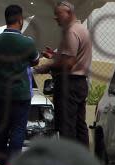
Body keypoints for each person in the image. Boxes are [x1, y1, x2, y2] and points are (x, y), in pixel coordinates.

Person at [34, 0, 92, 146]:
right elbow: (73, 58)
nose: (55, 18)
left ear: (69, 13)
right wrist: (54, 56)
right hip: (80, 83)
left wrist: (46, 67)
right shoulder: (81, 29)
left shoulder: (71, 32)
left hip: (69, 84)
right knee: (79, 123)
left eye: (58, 14)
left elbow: (69, 63)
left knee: (67, 125)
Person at [0, 5, 39, 165]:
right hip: (21, 94)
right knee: (18, 129)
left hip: (1, 94)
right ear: (20, 20)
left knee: (1, 130)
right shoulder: (27, 43)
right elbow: (35, 61)